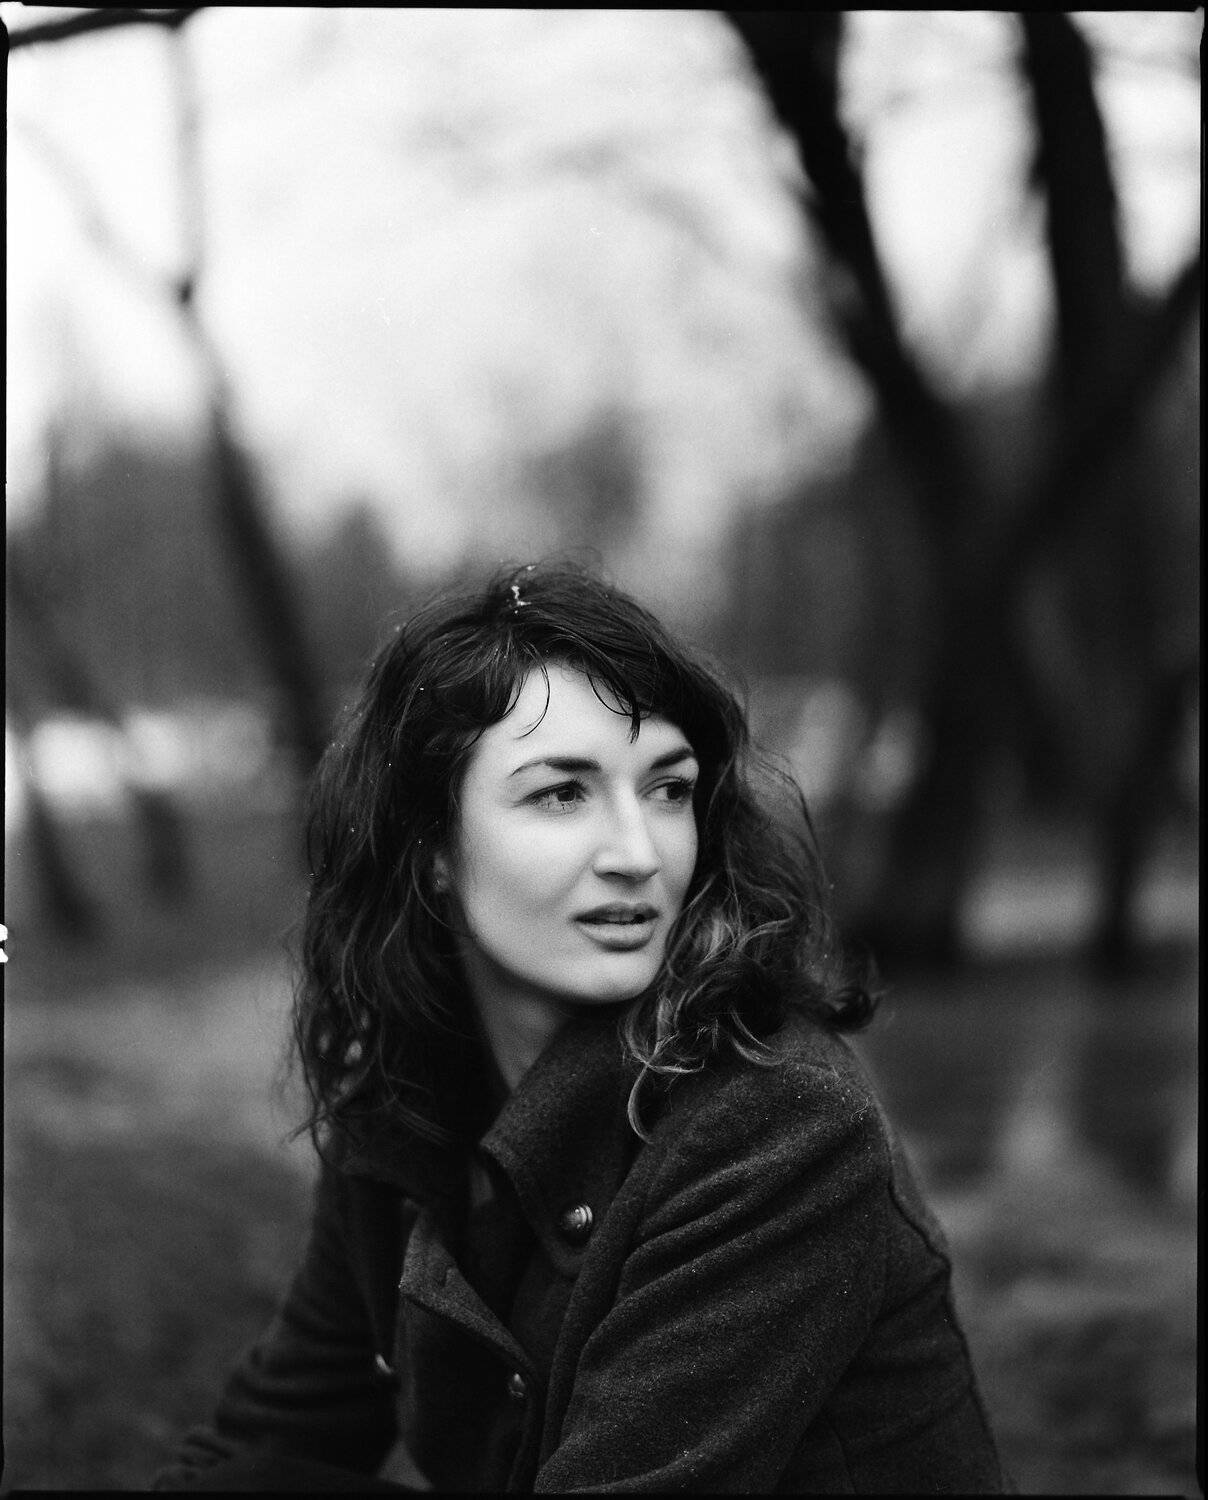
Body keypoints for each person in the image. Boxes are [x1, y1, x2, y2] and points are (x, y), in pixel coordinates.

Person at [155, 561, 1008, 1493]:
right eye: (562, 793)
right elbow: (275, 1432)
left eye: (669, 789)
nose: (638, 854)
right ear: (430, 849)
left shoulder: (783, 1128)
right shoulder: (405, 1101)